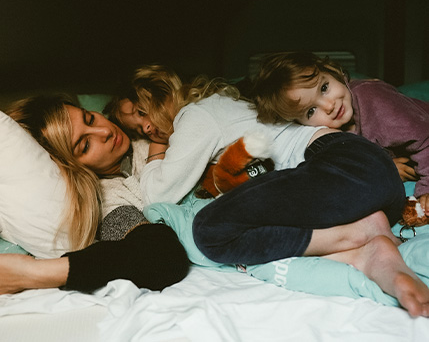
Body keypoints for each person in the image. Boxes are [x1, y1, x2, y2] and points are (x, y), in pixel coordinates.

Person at [1, 69, 427, 317]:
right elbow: (153, 256)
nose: (104, 130)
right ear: (72, 166)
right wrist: (40, 272)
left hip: (329, 175)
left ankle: (359, 238)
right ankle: (369, 252)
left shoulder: (177, 130)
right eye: (84, 143)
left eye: (90, 117)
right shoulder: (115, 193)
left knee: (215, 232)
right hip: (320, 195)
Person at [251, 51, 429, 213]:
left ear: (333, 72)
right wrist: (386, 168)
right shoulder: (325, 136)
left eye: (324, 88)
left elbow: (425, 137)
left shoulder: (374, 101)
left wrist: (426, 190)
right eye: (311, 111)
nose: (329, 106)